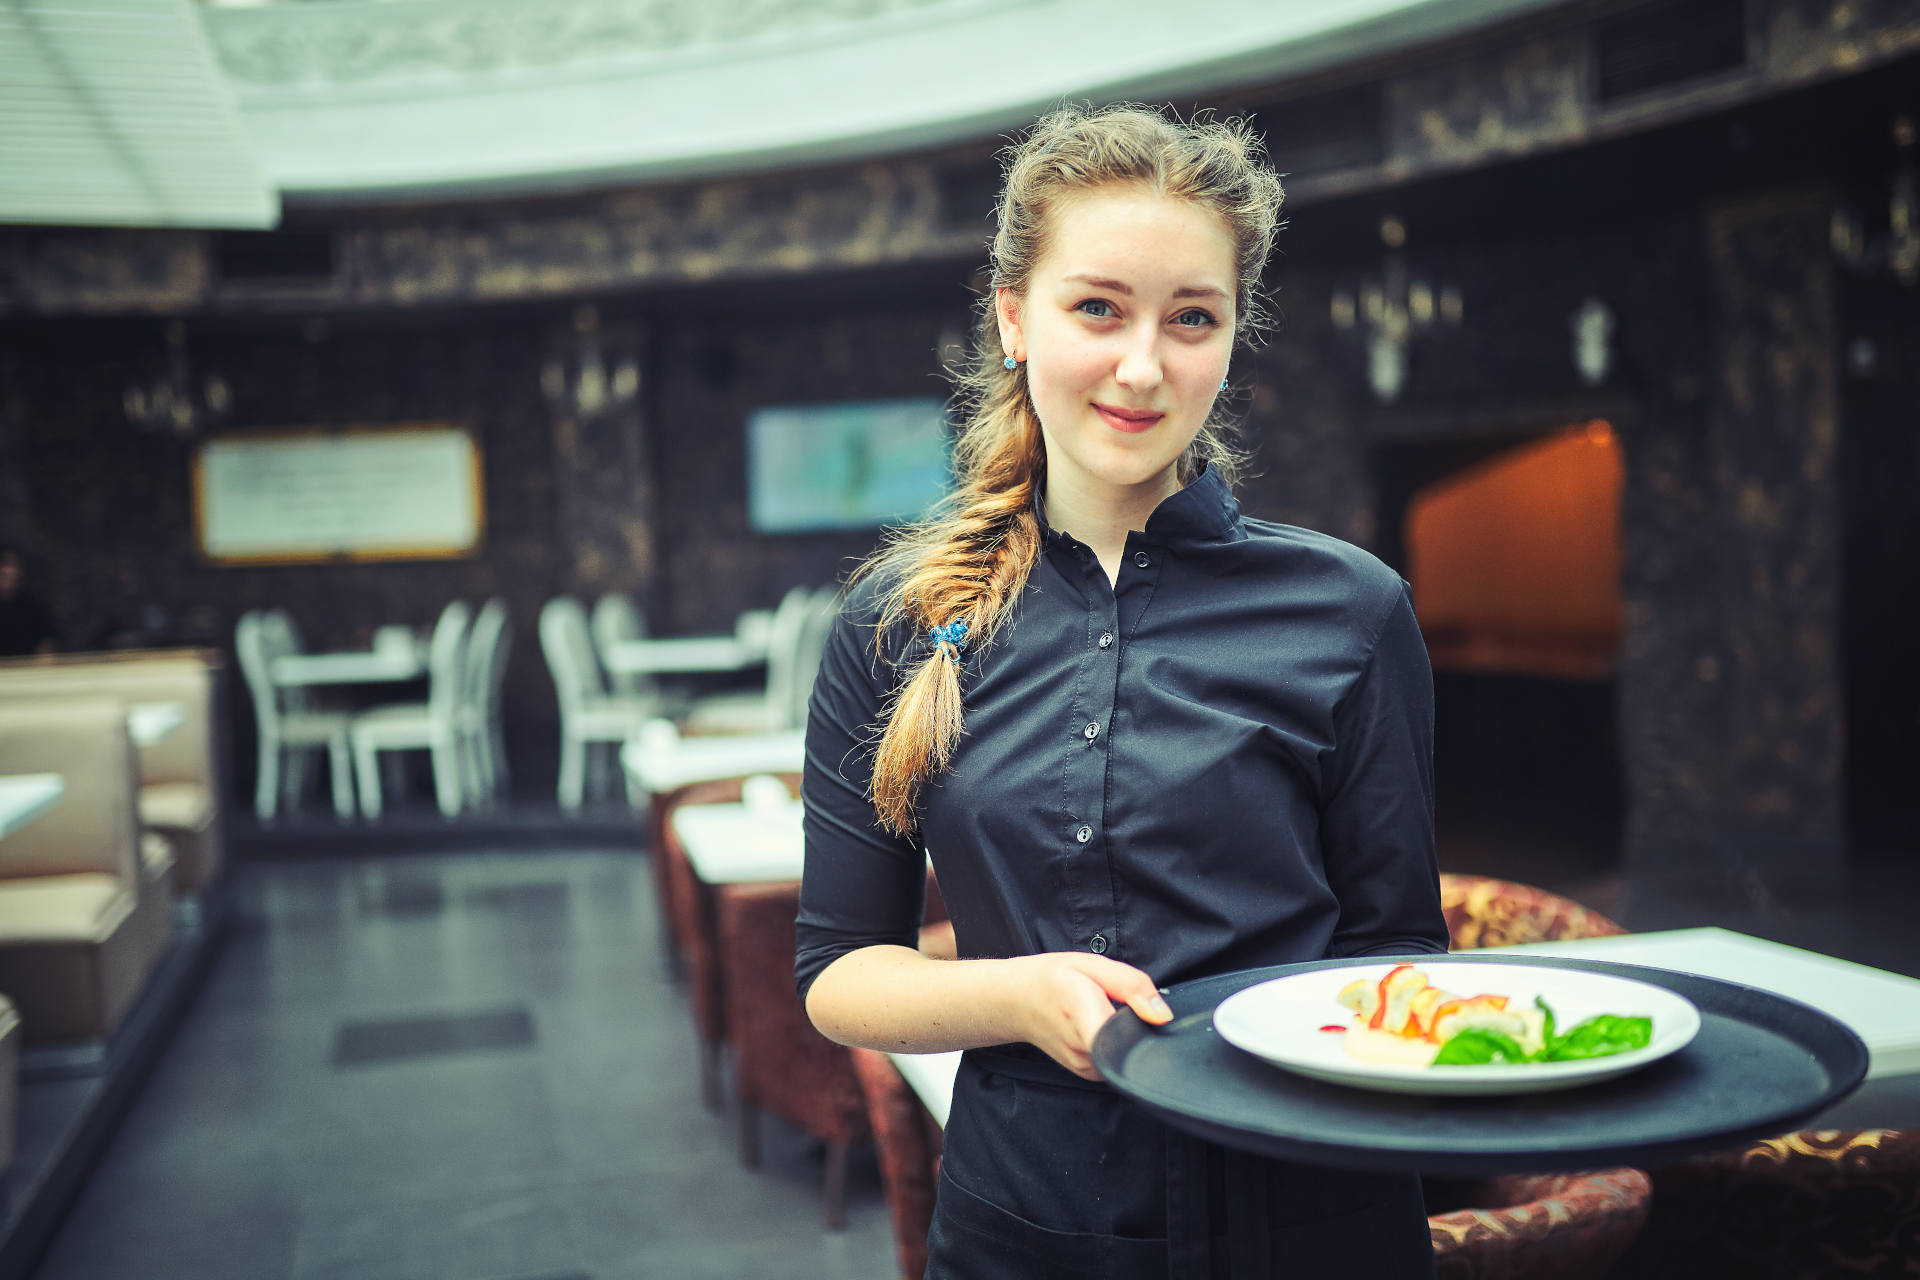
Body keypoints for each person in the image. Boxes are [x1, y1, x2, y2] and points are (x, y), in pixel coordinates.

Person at [796, 102, 1448, 1279]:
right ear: (1014, 320)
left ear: (1233, 337)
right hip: (1024, 1227)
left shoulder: (1353, 611)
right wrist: (1021, 993)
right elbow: (842, 976)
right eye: (1097, 307)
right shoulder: (889, 625)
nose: (1143, 365)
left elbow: (1399, 948)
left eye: (1191, 318)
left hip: (1313, 1227)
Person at [0, 545, 58, 657]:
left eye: (14, 565)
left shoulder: (34, 606)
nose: (11, 571)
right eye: (4, 564)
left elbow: (47, 644)